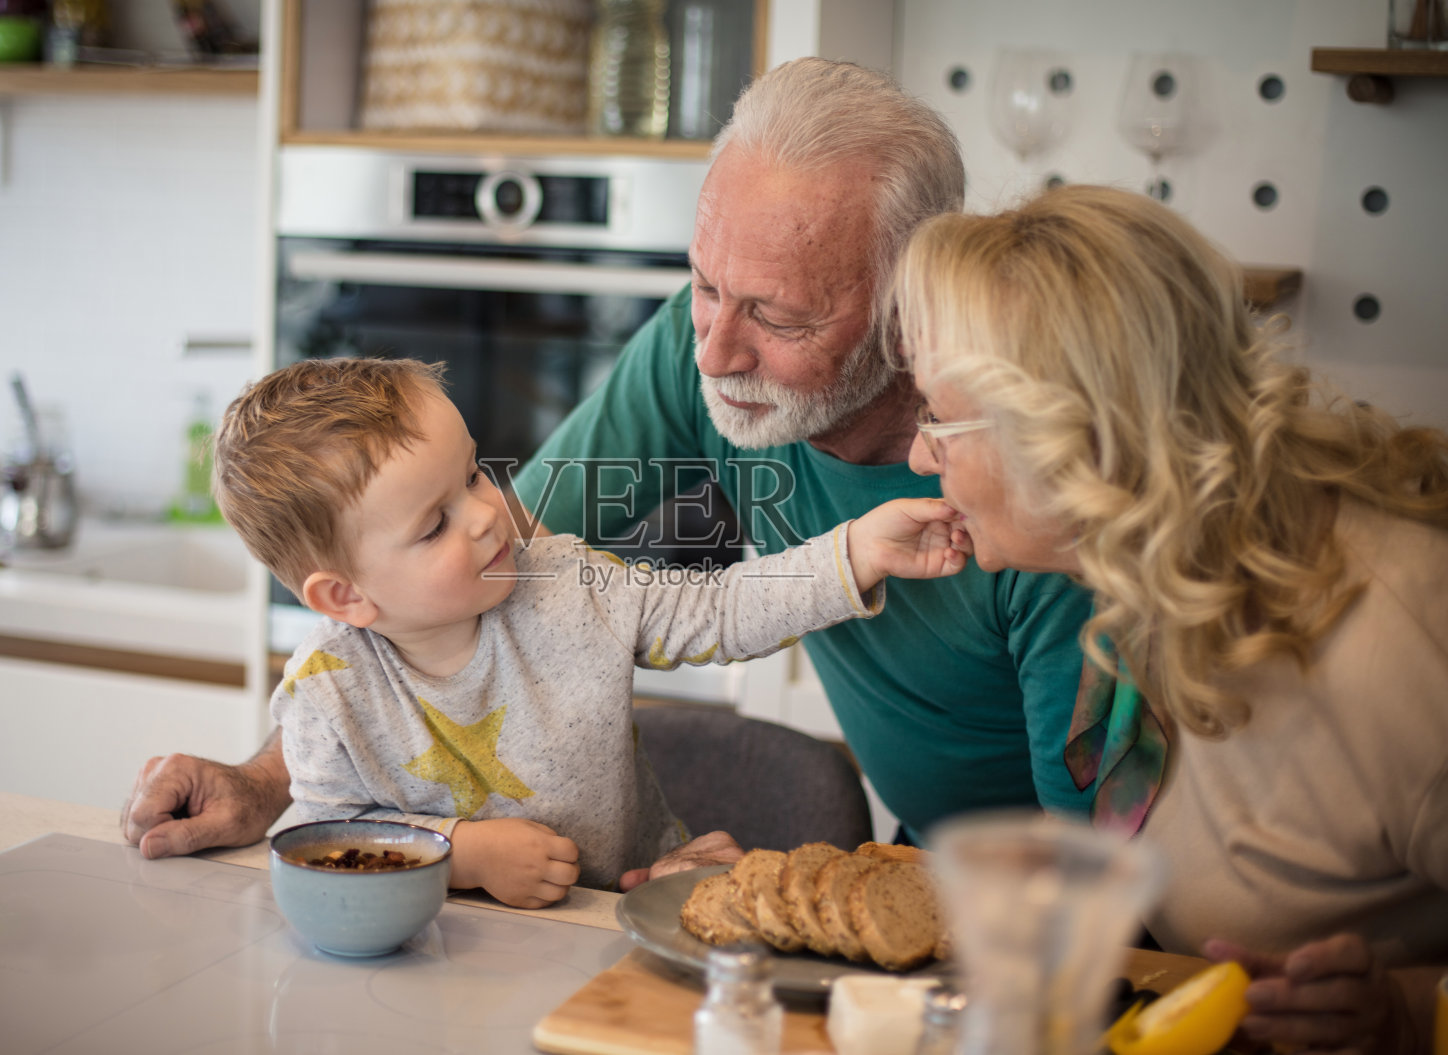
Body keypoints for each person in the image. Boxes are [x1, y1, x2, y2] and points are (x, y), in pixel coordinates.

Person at [122, 57, 1096, 871]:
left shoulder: (1026, 480)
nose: (714, 351)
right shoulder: (698, 348)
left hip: (1042, 882)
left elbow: (1097, 868)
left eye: (778, 315)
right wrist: (262, 785)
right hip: (924, 852)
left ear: (906, 306)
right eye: (706, 285)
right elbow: (451, 597)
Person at [893, 183, 1447, 1053]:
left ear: (1075, 443)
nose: (920, 452)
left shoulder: (1403, 642)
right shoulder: (1154, 564)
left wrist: (1406, 1012)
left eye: (938, 417)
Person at [210, 356, 970, 907]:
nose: (484, 514)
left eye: (474, 475)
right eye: (434, 523)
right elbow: (327, 845)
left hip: (625, 917)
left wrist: (857, 553)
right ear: (345, 594)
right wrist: (459, 855)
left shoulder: (567, 581)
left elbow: (719, 609)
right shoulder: (326, 690)